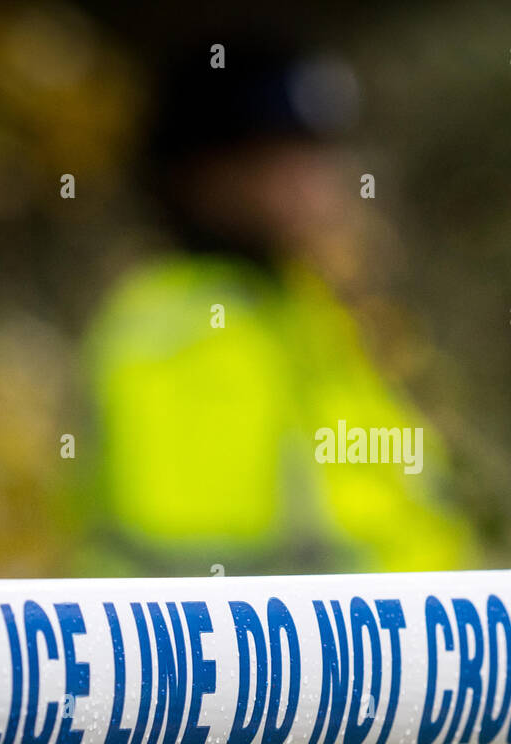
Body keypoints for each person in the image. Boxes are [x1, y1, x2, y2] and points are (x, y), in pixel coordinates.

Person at [84, 42, 472, 576]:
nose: (318, 179)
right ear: (207, 174)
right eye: (285, 156)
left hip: (387, 649)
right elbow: (202, 564)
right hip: (272, 655)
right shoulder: (182, 327)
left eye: (321, 152)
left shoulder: (309, 307)